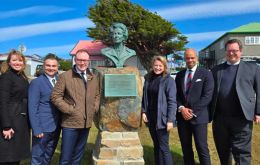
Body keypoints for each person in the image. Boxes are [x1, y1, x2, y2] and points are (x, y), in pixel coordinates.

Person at [210, 39, 260, 165]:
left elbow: (259, 91)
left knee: (242, 153)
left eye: (235, 51)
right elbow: (209, 92)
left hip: (242, 118)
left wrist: (258, 112)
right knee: (223, 151)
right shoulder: (216, 70)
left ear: (241, 51)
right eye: (229, 51)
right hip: (220, 119)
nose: (231, 53)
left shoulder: (252, 68)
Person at [51, 49, 100, 165]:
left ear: (89, 61)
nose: (82, 63)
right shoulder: (65, 76)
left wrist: (94, 108)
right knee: (66, 157)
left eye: (85, 60)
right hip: (70, 123)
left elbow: (97, 94)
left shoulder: (93, 77)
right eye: (79, 60)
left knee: (78, 156)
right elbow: (55, 96)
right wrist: (70, 110)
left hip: (86, 123)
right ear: (75, 60)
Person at [175, 48, 214, 165]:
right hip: (182, 118)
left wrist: (192, 112)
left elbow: (207, 96)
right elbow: (175, 95)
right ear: (184, 59)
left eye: (192, 57)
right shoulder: (180, 75)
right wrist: (182, 108)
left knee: (202, 148)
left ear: (196, 58)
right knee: (186, 148)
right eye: (187, 58)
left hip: (199, 118)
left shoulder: (206, 73)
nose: (190, 60)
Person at [142, 56, 177, 165]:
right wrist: (143, 111)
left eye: (160, 66)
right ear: (152, 66)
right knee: (156, 145)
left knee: (164, 147)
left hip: (162, 119)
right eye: (156, 65)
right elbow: (145, 97)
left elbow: (172, 101)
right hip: (151, 118)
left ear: (164, 67)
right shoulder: (148, 78)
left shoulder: (169, 80)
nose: (157, 68)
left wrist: (170, 120)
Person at [28, 53, 61, 165]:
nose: (51, 68)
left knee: (48, 155)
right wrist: (36, 128)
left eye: (53, 66)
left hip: (56, 126)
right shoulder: (36, 83)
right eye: (48, 65)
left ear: (57, 67)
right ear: (43, 66)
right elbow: (32, 107)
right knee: (37, 157)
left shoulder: (59, 81)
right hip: (42, 127)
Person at [0, 49, 30, 165]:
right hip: (11, 120)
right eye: (14, 60)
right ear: (9, 62)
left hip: (20, 119)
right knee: (8, 156)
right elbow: (2, 102)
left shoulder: (21, 76)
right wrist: (6, 126)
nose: (17, 63)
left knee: (16, 155)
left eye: (20, 60)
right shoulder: (6, 77)